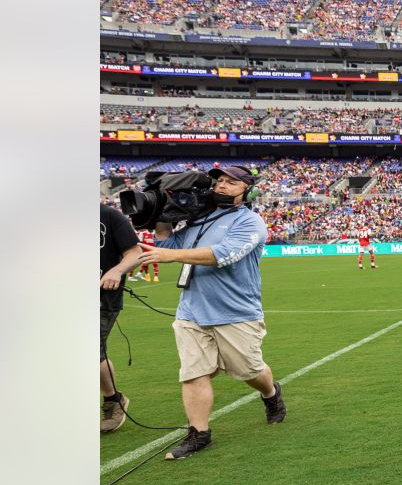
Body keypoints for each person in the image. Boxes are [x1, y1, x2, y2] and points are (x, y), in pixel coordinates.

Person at [137, 165, 286, 460]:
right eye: (219, 181)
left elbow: (223, 255)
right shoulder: (199, 220)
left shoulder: (250, 222)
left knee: (249, 370)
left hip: (236, 311)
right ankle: (198, 434)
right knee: (193, 372)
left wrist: (170, 255)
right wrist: (161, 214)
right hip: (191, 310)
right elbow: (168, 243)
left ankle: (271, 393)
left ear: (248, 191)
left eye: (232, 182)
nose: (222, 186)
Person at [100, 204, 142, 433]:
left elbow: (134, 253)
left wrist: (117, 270)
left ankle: (112, 400)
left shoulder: (109, 215)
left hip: (102, 297)